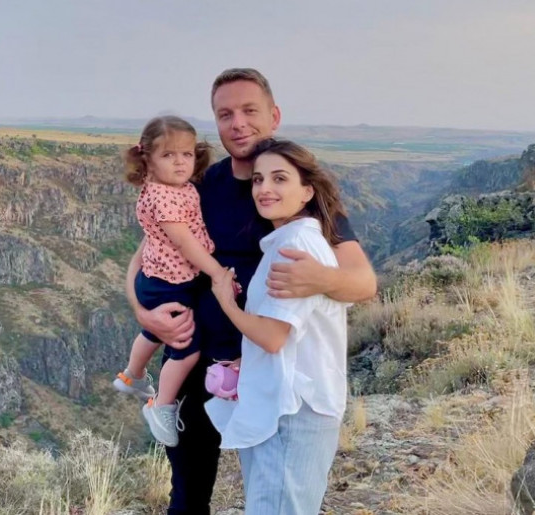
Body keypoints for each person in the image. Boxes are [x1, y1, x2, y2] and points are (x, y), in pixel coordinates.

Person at [125, 68, 378, 514]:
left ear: (273, 116)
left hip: (264, 370)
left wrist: (321, 278)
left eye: (249, 111)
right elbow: (147, 251)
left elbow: (363, 282)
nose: (238, 123)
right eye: (226, 114)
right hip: (195, 359)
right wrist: (142, 312)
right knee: (187, 493)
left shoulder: (292, 189)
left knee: (270, 489)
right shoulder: (199, 186)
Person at [206, 138, 350, 514]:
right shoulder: (292, 241)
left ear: (307, 191)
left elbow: (272, 337)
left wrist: (226, 301)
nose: (264, 188)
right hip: (291, 409)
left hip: (291, 415)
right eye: (258, 180)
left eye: (279, 178)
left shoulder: (294, 247)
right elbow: (293, 332)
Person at [113, 115, 234, 447]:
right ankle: (161, 405)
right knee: (186, 348)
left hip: (155, 280)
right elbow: (184, 242)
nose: (180, 162)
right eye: (168, 155)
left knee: (154, 332)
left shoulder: (171, 188)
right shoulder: (165, 196)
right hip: (171, 284)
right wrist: (217, 272)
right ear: (148, 160)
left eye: (186, 154)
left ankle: (132, 375)